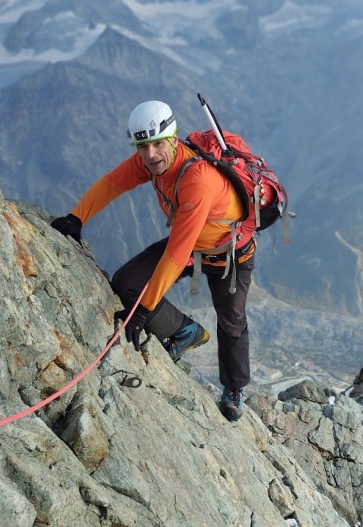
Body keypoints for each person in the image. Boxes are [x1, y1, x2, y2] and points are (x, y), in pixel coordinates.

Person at [51, 100, 256, 421]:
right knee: (126, 283)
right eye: (143, 146)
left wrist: (144, 312)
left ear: (174, 140)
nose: (150, 155)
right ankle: (184, 331)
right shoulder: (150, 163)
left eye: (158, 144)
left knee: (231, 321)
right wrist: (77, 218)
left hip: (229, 253)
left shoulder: (197, 181)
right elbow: (111, 184)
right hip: (191, 246)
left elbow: (176, 253)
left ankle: (235, 388)